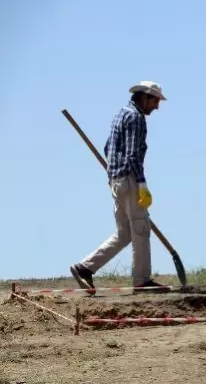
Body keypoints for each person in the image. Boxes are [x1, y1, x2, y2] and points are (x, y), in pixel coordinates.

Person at [69, 81, 168, 293]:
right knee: (141, 229)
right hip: (130, 180)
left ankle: (85, 268)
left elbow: (107, 147)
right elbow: (133, 155)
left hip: (115, 181)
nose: (157, 106)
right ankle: (142, 281)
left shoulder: (120, 114)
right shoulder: (136, 117)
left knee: (125, 233)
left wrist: (116, 175)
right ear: (144, 98)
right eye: (155, 100)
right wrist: (141, 184)